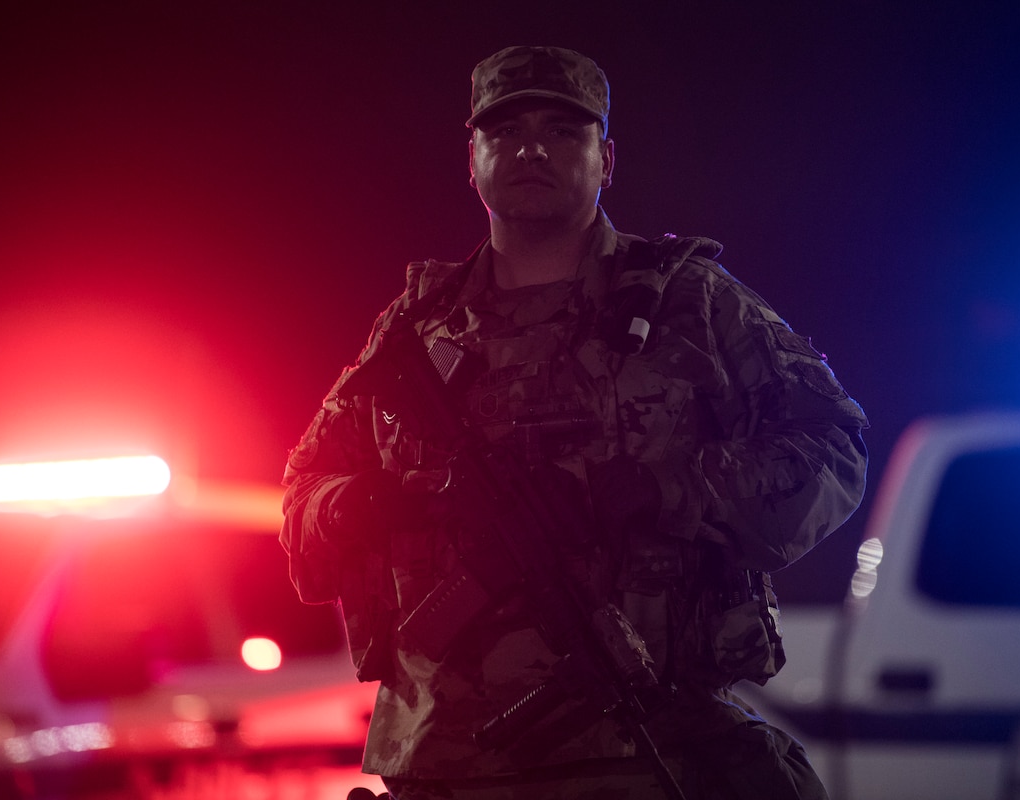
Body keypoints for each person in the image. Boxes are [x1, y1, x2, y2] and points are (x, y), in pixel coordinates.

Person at [281, 45, 869, 800]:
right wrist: (357, 505)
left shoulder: (692, 304)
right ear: (473, 160)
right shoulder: (413, 333)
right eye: (506, 131)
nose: (531, 148)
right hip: (445, 764)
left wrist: (667, 490)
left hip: (647, 747)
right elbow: (302, 494)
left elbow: (831, 445)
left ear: (607, 159)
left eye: (563, 131)